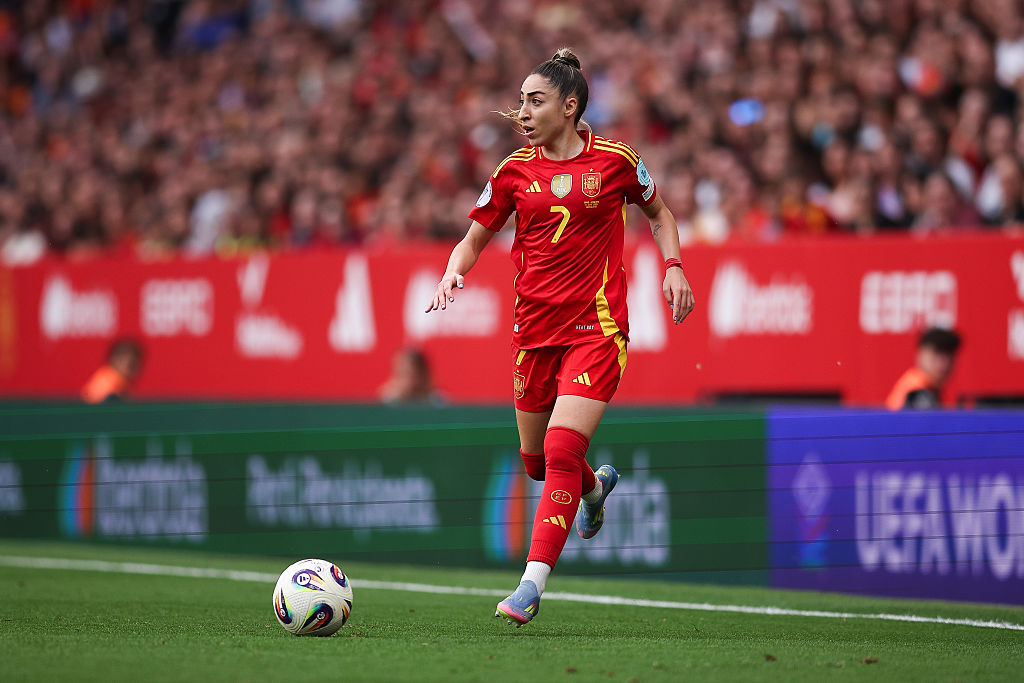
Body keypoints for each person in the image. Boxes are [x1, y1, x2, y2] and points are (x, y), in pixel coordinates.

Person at [424, 48, 694, 626]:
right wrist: (454, 270)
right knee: (537, 462)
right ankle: (594, 491)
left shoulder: (617, 162)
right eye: (521, 101)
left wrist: (673, 267)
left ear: (569, 107)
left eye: (535, 100)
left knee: (562, 448)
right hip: (533, 334)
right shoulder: (513, 171)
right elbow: (473, 239)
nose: (522, 111)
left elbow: (661, 214)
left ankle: (530, 584)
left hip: (596, 329)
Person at [885, 327, 962, 410]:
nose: (945, 363)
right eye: (937, 354)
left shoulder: (931, 389)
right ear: (921, 354)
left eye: (950, 356)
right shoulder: (915, 391)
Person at [81, 339, 144, 404]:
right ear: (115, 360)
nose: (135, 370)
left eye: (136, 365)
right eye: (131, 365)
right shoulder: (107, 384)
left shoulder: (120, 384)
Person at [378, 348, 444, 405]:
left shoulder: (436, 401)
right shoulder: (389, 399)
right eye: (400, 374)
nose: (404, 381)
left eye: (408, 373)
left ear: (423, 375)